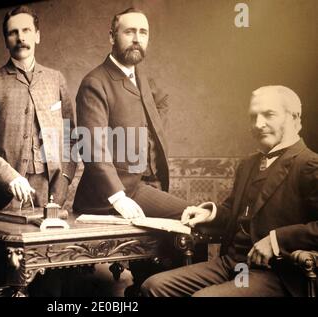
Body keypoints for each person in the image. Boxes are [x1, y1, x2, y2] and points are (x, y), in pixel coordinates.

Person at [141, 85, 318, 297]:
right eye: (253, 116)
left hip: (276, 272)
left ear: (294, 118)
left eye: (269, 115)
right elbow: (234, 212)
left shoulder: (310, 165)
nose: (258, 124)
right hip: (235, 265)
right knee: (154, 287)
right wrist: (209, 213)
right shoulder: (249, 164)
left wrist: (276, 240)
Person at [73, 8, 189, 219]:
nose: (137, 39)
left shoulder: (143, 79)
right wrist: (118, 197)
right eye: (129, 32)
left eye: (143, 32)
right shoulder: (95, 83)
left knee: (188, 227)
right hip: (115, 194)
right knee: (191, 215)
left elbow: (162, 102)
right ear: (112, 36)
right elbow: (92, 148)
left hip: (150, 185)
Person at [0, 5, 76, 211]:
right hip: (5, 195)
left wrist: (64, 179)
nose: (20, 38)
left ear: (37, 35)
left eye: (26, 30)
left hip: (51, 192)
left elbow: (71, 137)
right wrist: (10, 178)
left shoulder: (56, 79)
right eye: (13, 33)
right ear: (6, 41)